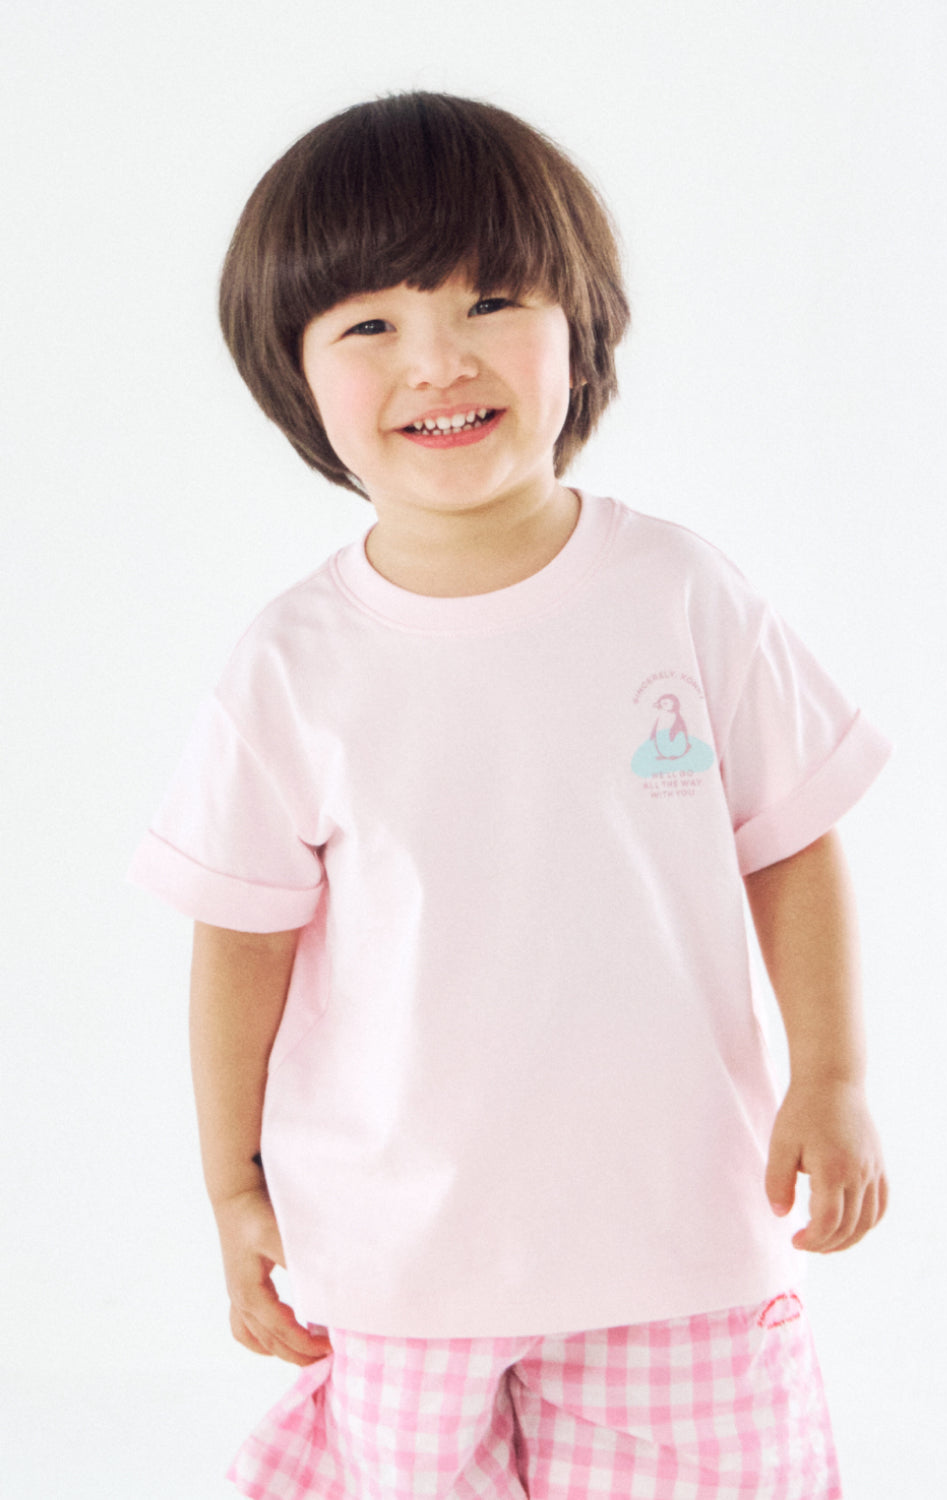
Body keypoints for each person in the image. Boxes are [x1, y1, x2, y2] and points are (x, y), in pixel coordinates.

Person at [129, 92, 891, 1499]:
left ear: (579, 332)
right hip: (400, 1260)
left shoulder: (680, 593)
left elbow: (791, 845)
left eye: (491, 300)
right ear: (294, 378)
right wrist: (233, 1187)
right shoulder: (292, 663)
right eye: (370, 323)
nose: (439, 359)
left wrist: (833, 1078)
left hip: (681, 1244)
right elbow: (240, 939)